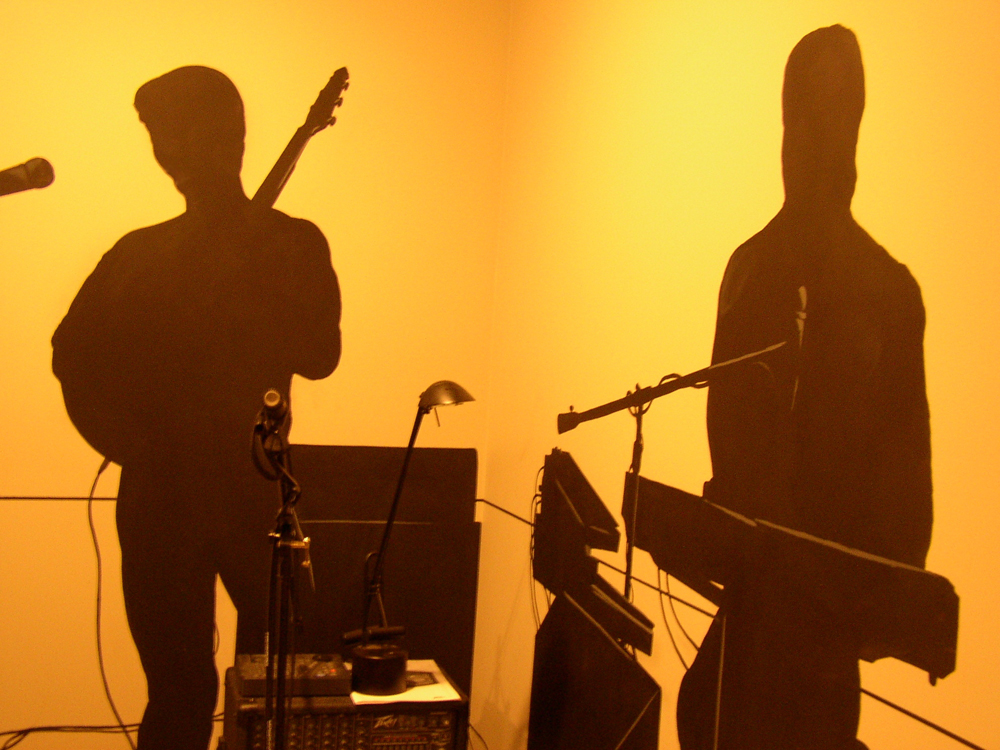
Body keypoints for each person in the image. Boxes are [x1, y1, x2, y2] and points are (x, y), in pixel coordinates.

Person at [52, 66, 342, 750]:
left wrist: (258, 296)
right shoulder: (138, 254)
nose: (172, 152)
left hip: (254, 492)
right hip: (159, 498)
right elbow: (73, 355)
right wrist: (127, 439)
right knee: (177, 692)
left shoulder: (292, 242)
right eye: (160, 136)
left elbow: (320, 355)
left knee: (289, 683)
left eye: (184, 132)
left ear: (232, 135)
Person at [676, 26, 933, 750]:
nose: (811, 141)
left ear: (854, 130)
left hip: (819, 654)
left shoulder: (889, 295)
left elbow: (908, 495)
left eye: (831, 118)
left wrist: (869, 603)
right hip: (746, 635)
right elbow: (725, 442)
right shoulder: (748, 271)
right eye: (799, 118)